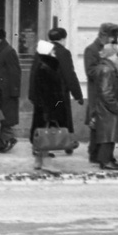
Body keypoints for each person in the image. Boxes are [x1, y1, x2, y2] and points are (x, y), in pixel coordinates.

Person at [30, 27, 84, 156]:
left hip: (41, 93)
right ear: (63, 39)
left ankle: (38, 145)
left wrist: (32, 93)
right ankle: (66, 142)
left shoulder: (41, 51)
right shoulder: (63, 52)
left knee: (41, 120)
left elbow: (33, 73)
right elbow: (69, 74)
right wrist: (77, 95)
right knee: (60, 118)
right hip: (57, 93)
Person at [83, 22, 118, 165]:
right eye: (112, 37)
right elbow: (90, 71)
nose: (113, 40)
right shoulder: (91, 50)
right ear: (104, 35)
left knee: (102, 125)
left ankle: (101, 154)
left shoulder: (110, 48)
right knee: (96, 123)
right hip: (96, 92)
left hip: (104, 90)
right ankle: (95, 153)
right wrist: (105, 66)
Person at [29, 40, 69, 173]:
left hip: (43, 107)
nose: (54, 53)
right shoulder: (45, 68)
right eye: (52, 51)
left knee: (42, 133)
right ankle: (46, 162)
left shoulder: (42, 65)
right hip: (48, 107)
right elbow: (46, 91)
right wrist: (50, 109)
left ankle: (38, 161)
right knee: (46, 135)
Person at [91, 43, 118, 170]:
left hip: (104, 107)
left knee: (108, 135)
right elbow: (106, 92)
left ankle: (106, 158)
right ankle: (105, 161)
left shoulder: (104, 67)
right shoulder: (108, 69)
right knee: (109, 135)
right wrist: (117, 106)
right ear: (112, 55)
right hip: (108, 108)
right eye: (117, 55)